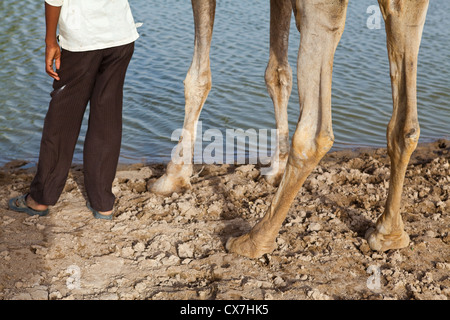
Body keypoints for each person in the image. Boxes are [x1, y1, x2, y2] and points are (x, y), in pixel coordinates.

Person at [8, 0, 140, 220]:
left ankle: (41, 199)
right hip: (120, 36)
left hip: (82, 41)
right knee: (107, 115)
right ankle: (103, 203)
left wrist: (50, 41)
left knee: (62, 119)